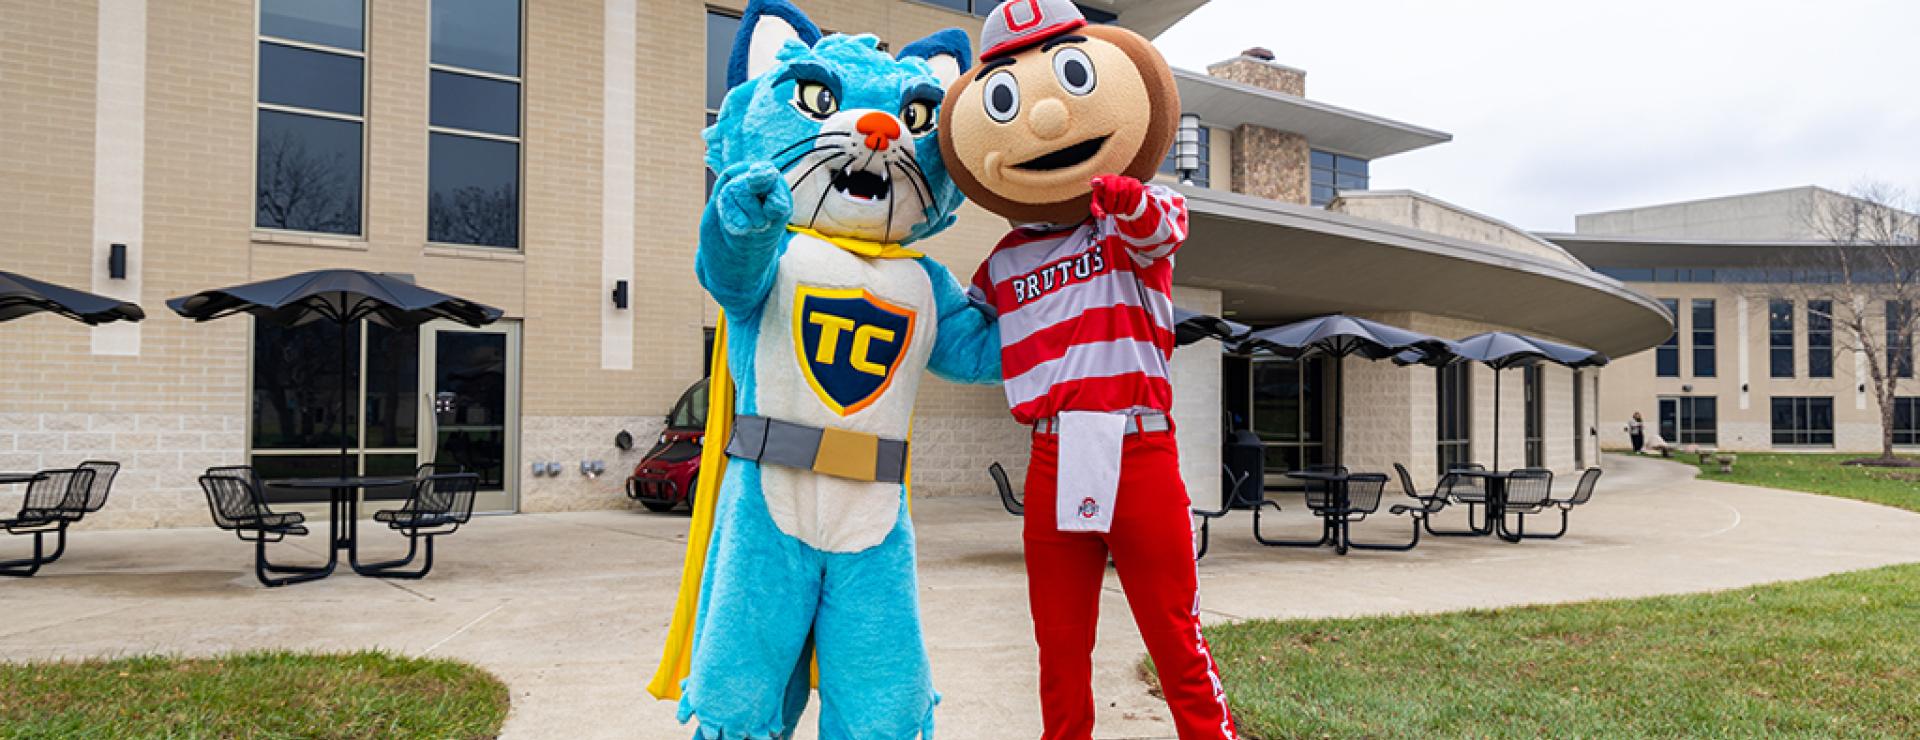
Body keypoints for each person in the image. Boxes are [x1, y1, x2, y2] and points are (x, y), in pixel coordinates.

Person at [939, 2, 1236, 737]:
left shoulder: (1133, 215)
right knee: (1059, 644)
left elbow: (1158, 229)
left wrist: (1122, 195)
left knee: (1174, 636)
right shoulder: (1005, 259)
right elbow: (968, 338)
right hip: (1053, 451)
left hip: (1138, 446)